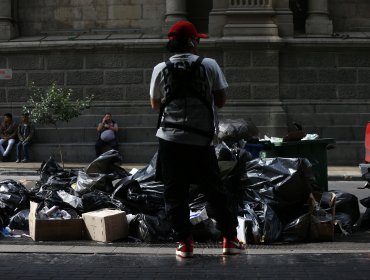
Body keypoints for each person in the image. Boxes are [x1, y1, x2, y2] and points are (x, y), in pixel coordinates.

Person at [149, 21, 244, 258]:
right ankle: (229, 240)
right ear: (192, 42)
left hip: (169, 140)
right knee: (214, 191)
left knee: (175, 193)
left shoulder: (161, 68)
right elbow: (221, 100)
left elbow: (154, 103)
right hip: (201, 140)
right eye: (197, 40)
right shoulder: (209, 65)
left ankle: (185, 243)